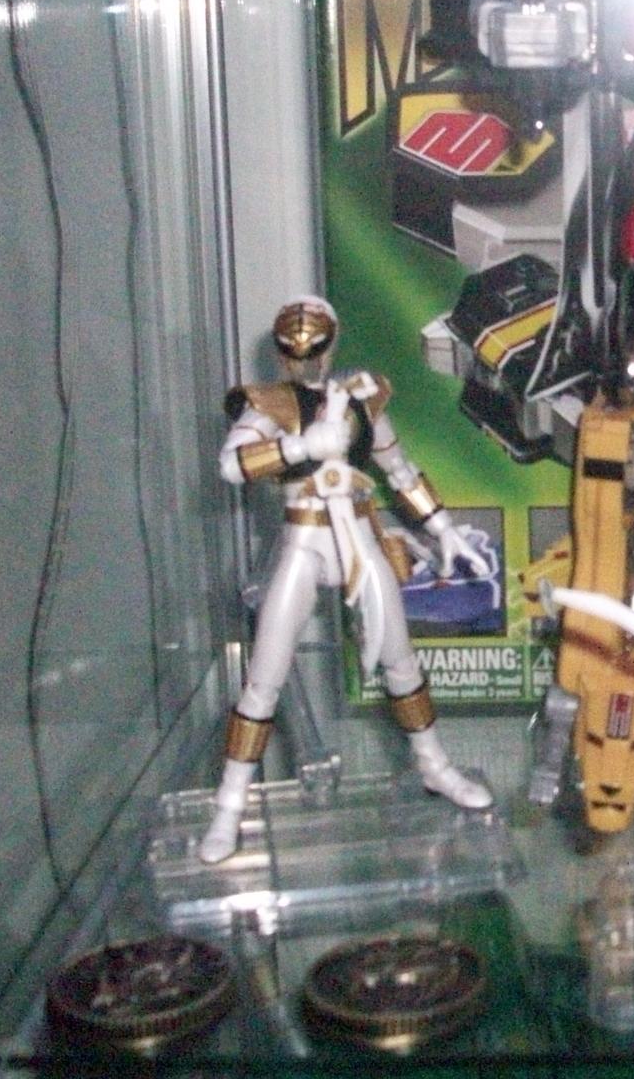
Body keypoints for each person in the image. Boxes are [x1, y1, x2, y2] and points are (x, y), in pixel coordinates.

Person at [201, 297, 492, 864]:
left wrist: (442, 527)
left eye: (314, 349)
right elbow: (231, 465)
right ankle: (229, 805)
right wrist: (301, 447)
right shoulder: (268, 403)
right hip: (305, 539)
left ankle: (434, 766)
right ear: (280, 353)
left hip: (358, 534)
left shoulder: (363, 396)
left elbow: (398, 469)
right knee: (264, 677)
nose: (305, 362)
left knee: (401, 662)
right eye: (292, 352)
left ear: (331, 345)